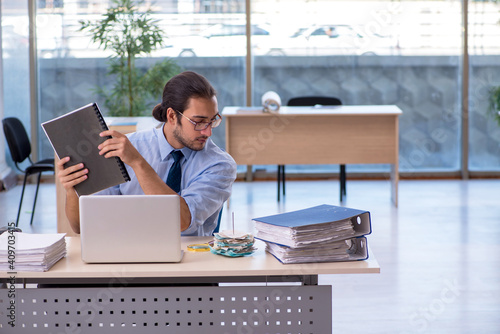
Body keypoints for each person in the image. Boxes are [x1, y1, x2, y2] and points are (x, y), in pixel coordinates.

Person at [57, 71, 237, 236]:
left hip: (191, 261)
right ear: (172, 116)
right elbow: (81, 226)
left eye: (212, 121)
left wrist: (138, 163)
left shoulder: (220, 165)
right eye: (199, 122)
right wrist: (72, 190)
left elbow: (181, 220)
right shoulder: (125, 149)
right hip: (128, 256)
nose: (207, 132)